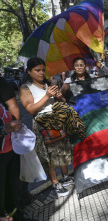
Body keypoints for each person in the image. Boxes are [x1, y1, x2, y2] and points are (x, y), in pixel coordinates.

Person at [19, 57, 74, 197]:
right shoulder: (25, 88)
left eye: (43, 70)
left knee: (63, 150)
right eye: (37, 70)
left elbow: (62, 101)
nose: (41, 73)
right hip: (42, 123)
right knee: (49, 156)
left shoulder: (48, 83)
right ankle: (55, 183)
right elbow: (30, 110)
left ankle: (65, 177)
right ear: (29, 71)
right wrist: (46, 96)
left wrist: (60, 97)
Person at [0, 77, 23, 220]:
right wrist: (4, 130)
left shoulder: (1, 82)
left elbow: (13, 105)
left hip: (10, 147)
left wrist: (15, 130)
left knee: (13, 187)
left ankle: (15, 214)